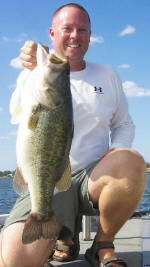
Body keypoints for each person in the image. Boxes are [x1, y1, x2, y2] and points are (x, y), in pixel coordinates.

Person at [0, 3, 146, 267]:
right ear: (52, 33)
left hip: (93, 180)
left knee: (131, 159)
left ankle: (102, 244)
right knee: (16, 262)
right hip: (49, 181)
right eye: (67, 28)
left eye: (82, 30)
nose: (75, 35)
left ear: (90, 36)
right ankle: (64, 236)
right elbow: (14, 113)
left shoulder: (107, 74)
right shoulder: (34, 76)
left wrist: (119, 148)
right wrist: (32, 65)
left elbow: (124, 123)